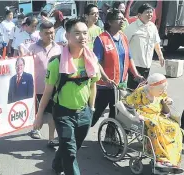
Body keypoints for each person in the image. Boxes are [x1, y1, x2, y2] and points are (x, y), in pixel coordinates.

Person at [38, 18, 101, 175]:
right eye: (77, 33)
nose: (82, 37)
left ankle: (57, 165)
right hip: (63, 113)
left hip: (84, 113)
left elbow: (93, 85)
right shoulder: (56, 63)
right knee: (70, 151)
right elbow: (47, 92)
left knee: (72, 147)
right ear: (67, 36)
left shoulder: (92, 60)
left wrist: (91, 108)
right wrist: (39, 116)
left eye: (85, 33)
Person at [117, 73, 182, 173]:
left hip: (158, 116)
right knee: (156, 127)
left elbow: (165, 98)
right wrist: (133, 117)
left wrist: (169, 101)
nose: (163, 91)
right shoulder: (141, 92)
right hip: (145, 116)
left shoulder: (160, 92)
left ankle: (171, 157)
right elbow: (121, 103)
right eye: (161, 89)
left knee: (175, 127)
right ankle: (161, 159)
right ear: (152, 87)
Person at [91, 9, 143, 127]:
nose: (122, 21)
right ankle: (79, 132)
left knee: (116, 112)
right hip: (105, 86)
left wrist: (136, 74)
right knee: (96, 112)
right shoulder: (101, 39)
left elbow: (129, 58)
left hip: (120, 85)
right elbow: (96, 62)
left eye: (122, 18)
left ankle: (110, 136)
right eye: (119, 19)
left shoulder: (123, 37)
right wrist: (105, 78)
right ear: (110, 22)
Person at [27, 22, 61, 148]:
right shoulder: (32, 48)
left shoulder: (59, 48)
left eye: (52, 32)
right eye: (46, 33)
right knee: (37, 112)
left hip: (53, 87)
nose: (50, 35)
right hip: (37, 88)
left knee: (52, 113)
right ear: (40, 34)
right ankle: (35, 128)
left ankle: (51, 139)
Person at [125, 3, 165, 90]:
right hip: (135, 65)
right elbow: (124, 44)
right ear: (139, 15)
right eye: (147, 12)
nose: (150, 14)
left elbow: (156, 42)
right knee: (132, 90)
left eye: (151, 12)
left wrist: (160, 56)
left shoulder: (152, 27)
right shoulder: (132, 27)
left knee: (143, 89)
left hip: (147, 64)